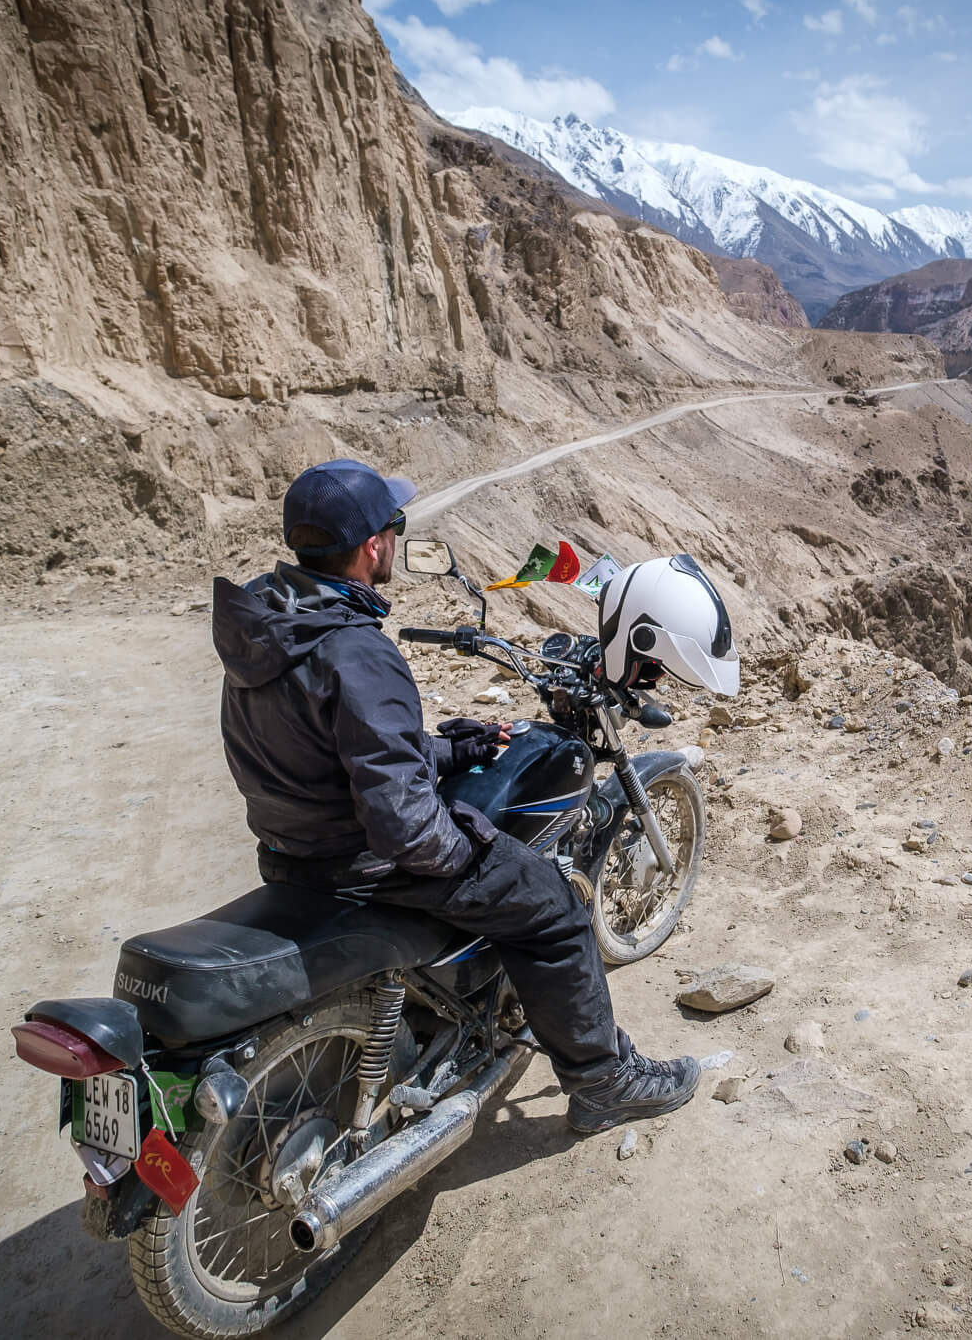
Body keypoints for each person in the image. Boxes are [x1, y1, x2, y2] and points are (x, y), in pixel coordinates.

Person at [208, 459, 699, 1133]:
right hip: (365, 866)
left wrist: (447, 750)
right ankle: (603, 1079)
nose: (395, 540)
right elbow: (408, 830)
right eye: (394, 527)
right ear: (372, 547)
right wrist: (474, 842)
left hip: (292, 849)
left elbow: (326, 752)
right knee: (552, 906)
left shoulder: (268, 631)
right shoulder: (355, 652)